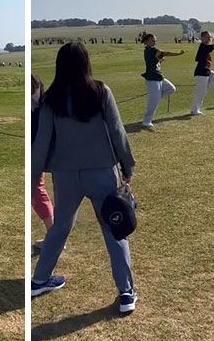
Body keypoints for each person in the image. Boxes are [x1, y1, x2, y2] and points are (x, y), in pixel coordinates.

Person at [31, 43, 137, 314]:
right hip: (101, 172)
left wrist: (33, 178)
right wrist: (127, 165)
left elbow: (41, 144)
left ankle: (39, 280)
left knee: (59, 228)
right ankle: (126, 292)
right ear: (86, 63)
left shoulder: (51, 99)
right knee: (114, 228)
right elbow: (117, 132)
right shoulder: (101, 92)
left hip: (65, 176)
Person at [141, 33, 185, 128]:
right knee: (153, 101)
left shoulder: (152, 51)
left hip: (159, 77)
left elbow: (156, 61)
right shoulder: (151, 50)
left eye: (155, 40)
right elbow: (166, 53)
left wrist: (160, 61)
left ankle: (155, 97)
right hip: (152, 79)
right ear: (146, 42)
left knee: (171, 89)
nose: (154, 42)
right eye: (152, 40)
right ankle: (146, 121)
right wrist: (179, 53)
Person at [31, 75, 54, 251]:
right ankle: (53, 236)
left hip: (35, 151)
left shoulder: (34, 85)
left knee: (37, 192)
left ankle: (54, 237)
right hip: (36, 149)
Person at [190, 31, 214, 115]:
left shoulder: (205, 47)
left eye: (210, 37)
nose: (209, 39)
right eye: (207, 37)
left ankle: (204, 88)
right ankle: (194, 110)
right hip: (201, 72)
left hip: (206, 70)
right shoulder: (203, 46)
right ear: (202, 38)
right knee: (200, 93)